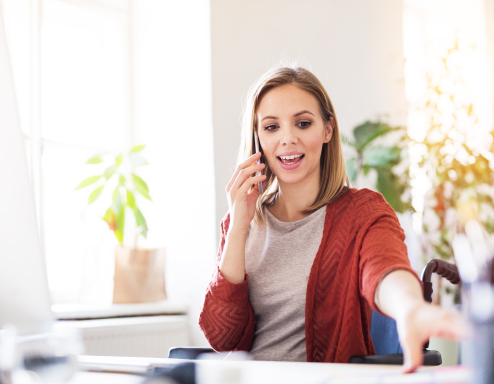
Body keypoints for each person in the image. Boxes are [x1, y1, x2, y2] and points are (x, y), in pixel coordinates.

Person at [199, 66, 465, 372]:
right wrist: (237, 227)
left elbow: (384, 270)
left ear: (328, 130)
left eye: (303, 123)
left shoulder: (361, 212)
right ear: (257, 137)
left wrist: (409, 307)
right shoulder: (240, 223)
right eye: (271, 127)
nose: (288, 139)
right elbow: (223, 338)